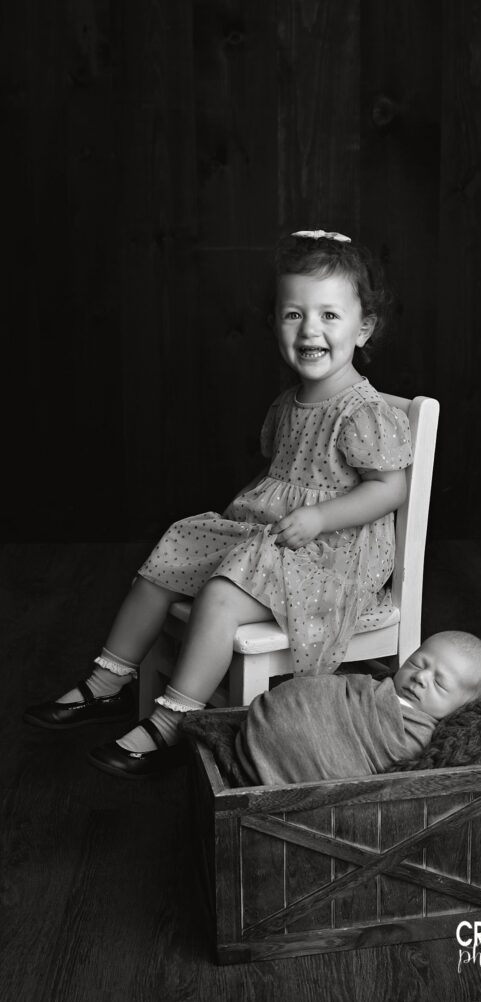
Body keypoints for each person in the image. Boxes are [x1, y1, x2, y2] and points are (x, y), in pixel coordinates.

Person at [24, 229, 414, 780]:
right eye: (293, 314)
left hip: (335, 552)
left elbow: (389, 489)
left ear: (364, 326)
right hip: (279, 535)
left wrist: (321, 516)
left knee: (220, 596)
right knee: (175, 548)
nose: (310, 331)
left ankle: (174, 719)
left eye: (330, 316)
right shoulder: (291, 401)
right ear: (275, 322)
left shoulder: (362, 412)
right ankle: (108, 683)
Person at [228, 631, 481, 786]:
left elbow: (393, 758)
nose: (420, 678)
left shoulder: (421, 734)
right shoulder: (375, 688)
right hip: (275, 717)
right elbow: (334, 689)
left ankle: (278, 756)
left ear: (462, 709)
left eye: (439, 683)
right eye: (418, 663)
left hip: (306, 756)